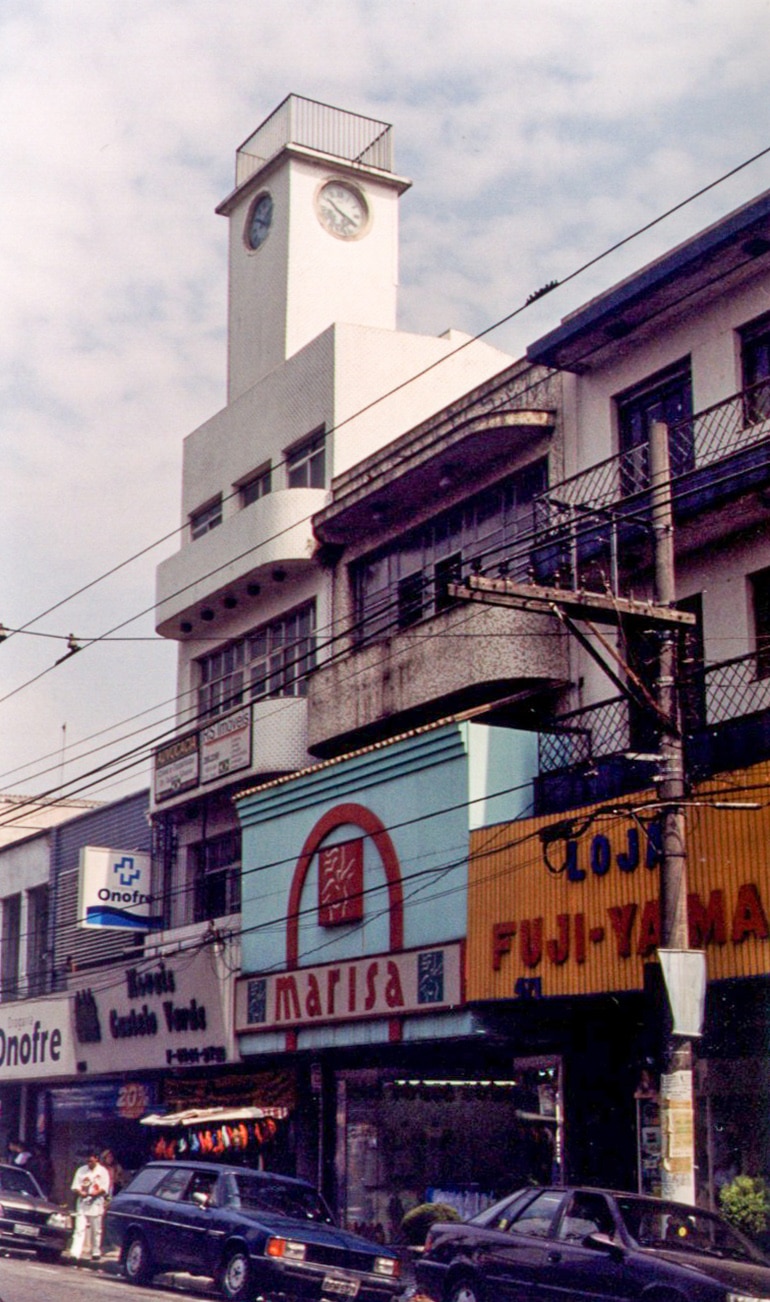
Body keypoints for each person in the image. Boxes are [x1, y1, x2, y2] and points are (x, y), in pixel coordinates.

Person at [68, 1152, 111, 1264]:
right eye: (88, 1161)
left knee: (96, 1230)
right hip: (82, 1203)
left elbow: (104, 1188)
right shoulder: (81, 1170)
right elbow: (75, 1186)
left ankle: (95, 1251)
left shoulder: (103, 1172)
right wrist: (80, 1192)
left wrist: (94, 1193)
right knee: (79, 1229)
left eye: (91, 1161)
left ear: (97, 1159)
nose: (89, 1163)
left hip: (96, 1203)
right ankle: (75, 1253)